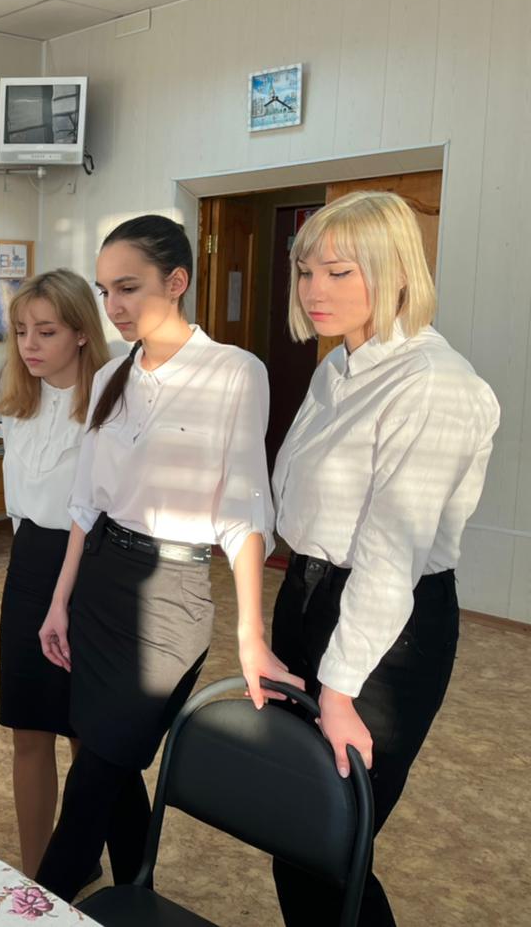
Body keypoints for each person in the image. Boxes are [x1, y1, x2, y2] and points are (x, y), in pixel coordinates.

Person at [34, 216, 289, 901]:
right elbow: (85, 503)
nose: (112, 306)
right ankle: (134, 896)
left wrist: (251, 636)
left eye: (128, 288)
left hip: (171, 598)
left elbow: (244, 511)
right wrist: (59, 602)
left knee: (92, 781)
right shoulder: (111, 374)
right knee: (111, 768)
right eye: (104, 290)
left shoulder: (234, 372)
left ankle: (33, 906)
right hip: (99, 584)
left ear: (176, 282)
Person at [267, 191, 498, 926]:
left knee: (326, 845)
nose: (315, 290)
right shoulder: (337, 369)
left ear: (397, 271)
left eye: (339, 272)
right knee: (294, 835)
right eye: (306, 271)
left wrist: (337, 692)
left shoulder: (434, 384)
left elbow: (391, 557)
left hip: (385, 631)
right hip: (307, 597)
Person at [0, 269, 107, 875]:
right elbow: (20, 511)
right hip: (30, 568)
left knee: (87, 734)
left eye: (46, 331)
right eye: (21, 331)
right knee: (29, 727)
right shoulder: (18, 405)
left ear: (82, 332)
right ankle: (38, 873)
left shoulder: (110, 406)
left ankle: (81, 860)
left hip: (91, 573)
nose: (30, 345)